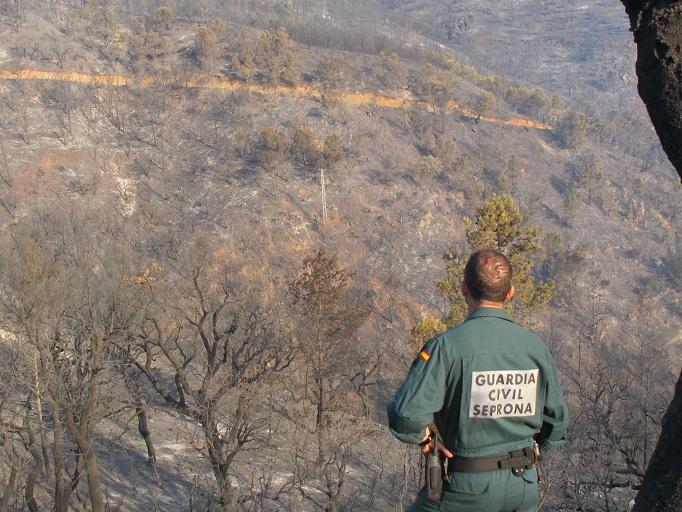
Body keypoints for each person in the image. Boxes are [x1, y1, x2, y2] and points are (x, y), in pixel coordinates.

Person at [388, 248, 569, 512]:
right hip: (523, 487)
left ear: (463, 288)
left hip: (465, 488)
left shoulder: (445, 347)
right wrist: (539, 448)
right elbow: (558, 421)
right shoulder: (535, 348)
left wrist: (425, 439)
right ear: (510, 293)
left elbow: (406, 415)